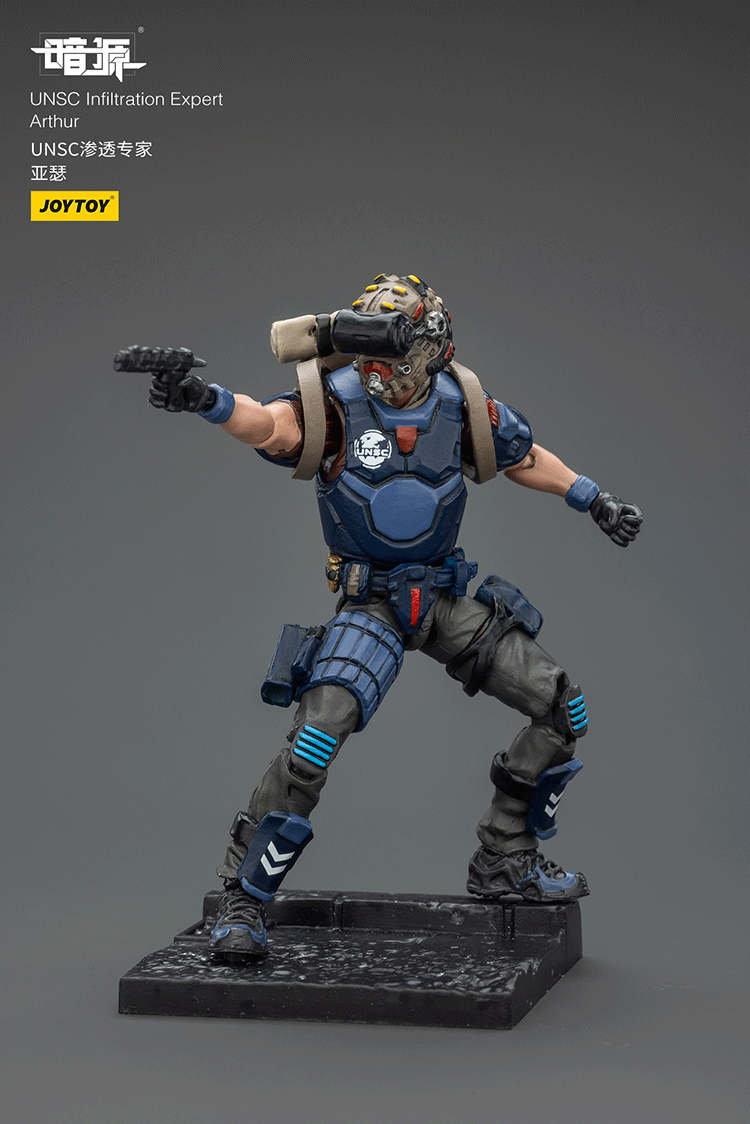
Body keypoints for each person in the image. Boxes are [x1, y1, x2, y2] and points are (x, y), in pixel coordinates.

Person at [137, 272, 642, 960]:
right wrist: (206, 400)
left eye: (394, 359)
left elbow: (523, 456)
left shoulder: (464, 405)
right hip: (371, 602)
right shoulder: (335, 402)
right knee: (316, 737)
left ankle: (506, 857)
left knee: (561, 707)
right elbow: (269, 425)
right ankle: (243, 899)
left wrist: (593, 497)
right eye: (371, 358)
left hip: (442, 598)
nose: (380, 373)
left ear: (430, 350)